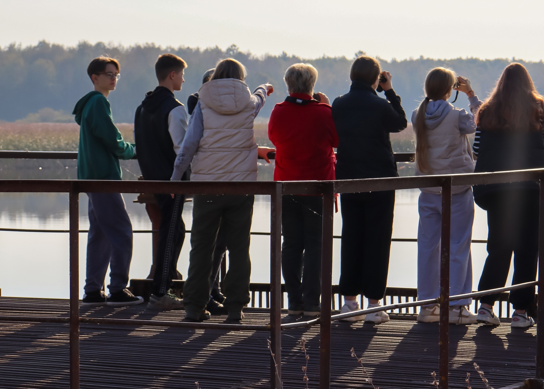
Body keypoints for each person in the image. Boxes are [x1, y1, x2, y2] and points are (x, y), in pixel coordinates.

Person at [171, 58, 273, 323]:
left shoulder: (203, 104)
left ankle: (194, 306)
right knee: (240, 247)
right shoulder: (249, 103)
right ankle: (236, 307)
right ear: (241, 78)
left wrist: (175, 178)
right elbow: (260, 97)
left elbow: (189, 145)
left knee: (201, 246)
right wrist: (264, 87)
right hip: (241, 187)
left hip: (208, 186)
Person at [472, 63, 544, 330]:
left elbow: (477, 148)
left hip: (497, 188)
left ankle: (486, 306)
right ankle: (520, 311)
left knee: (498, 247)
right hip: (530, 187)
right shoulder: (537, 107)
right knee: (527, 249)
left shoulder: (487, 110)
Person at [331, 55, 408, 323]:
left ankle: (349, 303)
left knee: (351, 236)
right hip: (381, 179)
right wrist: (389, 91)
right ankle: (374, 305)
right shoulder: (379, 105)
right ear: (376, 78)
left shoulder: (339, 103)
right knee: (378, 239)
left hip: (349, 178)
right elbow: (400, 122)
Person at [267, 63, 338, 318]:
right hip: (318, 187)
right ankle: (312, 303)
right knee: (316, 246)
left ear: (288, 84)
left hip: (286, 186)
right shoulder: (323, 112)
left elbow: (274, 138)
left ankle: (294, 302)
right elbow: (337, 139)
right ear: (312, 85)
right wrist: (328, 106)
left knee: (291, 244)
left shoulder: (278, 111)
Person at [411, 68, 480, 325]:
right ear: (450, 89)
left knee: (428, 248)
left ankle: (427, 306)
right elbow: (479, 121)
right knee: (458, 246)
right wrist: (470, 94)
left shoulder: (417, 114)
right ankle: (457, 307)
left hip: (428, 190)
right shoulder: (457, 116)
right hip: (457, 190)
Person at [72, 56, 142, 307]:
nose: (114, 79)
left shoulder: (90, 104)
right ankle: (118, 288)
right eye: (109, 74)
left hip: (92, 177)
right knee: (122, 232)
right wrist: (137, 150)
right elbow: (112, 140)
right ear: (95, 77)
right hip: (103, 178)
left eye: (116, 75)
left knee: (100, 234)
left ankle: (92, 290)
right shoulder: (99, 103)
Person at [134, 53, 190, 311]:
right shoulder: (175, 109)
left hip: (153, 179)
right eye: (181, 74)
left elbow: (143, 145)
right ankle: (160, 293)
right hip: (173, 181)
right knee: (171, 233)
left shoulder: (142, 107)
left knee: (174, 229)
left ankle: (163, 284)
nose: (183, 79)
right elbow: (182, 149)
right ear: (172, 75)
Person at [187, 68, 230, 315]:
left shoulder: (201, 105)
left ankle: (211, 291)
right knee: (211, 243)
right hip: (216, 180)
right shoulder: (201, 105)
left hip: (209, 179)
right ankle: (205, 295)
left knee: (215, 243)